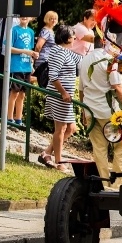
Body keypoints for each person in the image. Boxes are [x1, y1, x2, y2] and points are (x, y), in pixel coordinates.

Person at [79, 35, 122, 189]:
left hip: (90, 110)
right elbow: (117, 87)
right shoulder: (109, 60)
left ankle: (103, 183)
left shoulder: (84, 60)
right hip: (109, 112)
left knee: (99, 148)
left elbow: (81, 89)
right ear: (105, 42)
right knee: (120, 146)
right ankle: (119, 183)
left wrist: (82, 109)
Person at [39, 25, 81, 171]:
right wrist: (63, 92)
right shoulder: (58, 52)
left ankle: (46, 152)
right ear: (67, 37)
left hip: (65, 98)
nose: (75, 38)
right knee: (61, 128)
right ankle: (59, 162)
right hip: (59, 96)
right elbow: (53, 75)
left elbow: (83, 60)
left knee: (72, 128)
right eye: (73, 36)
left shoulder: (68, 52)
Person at [7, 17, 38, 126]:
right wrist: (24, 51)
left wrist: (32, 60)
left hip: (26, 67)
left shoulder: (31, 32)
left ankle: (18, 119)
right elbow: (8, 48)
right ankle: (9, 118)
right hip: (16, 67)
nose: (24, 17)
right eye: (22, 15)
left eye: (27, 15)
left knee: (22, 95)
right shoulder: (14, 30)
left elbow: (30, 49)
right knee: (14, 93)